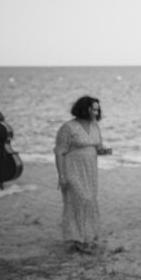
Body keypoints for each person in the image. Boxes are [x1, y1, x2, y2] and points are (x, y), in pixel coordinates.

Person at [54, 96, 110, 253]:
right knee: (80, 200)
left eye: (98, 109)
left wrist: (104, 151)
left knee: (89, 201)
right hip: (72, 169)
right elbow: (59, 152)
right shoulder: (68, 127)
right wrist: (62, 176)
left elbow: (98, 148)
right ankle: (77, 239)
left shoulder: (95, 126)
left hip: (90, 172)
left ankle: (87, 238)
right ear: (84, 109)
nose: (96, 112)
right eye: (93, 109)